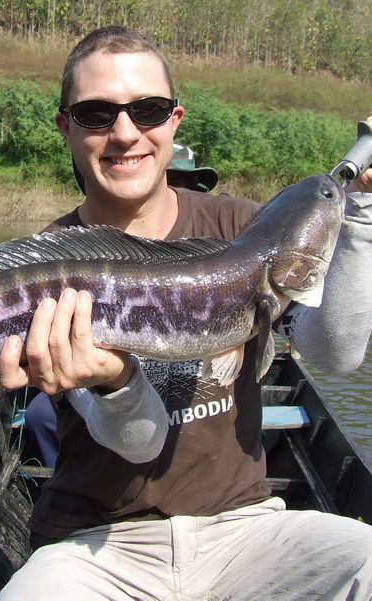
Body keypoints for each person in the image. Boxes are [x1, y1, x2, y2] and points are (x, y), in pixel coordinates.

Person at [0, 25, 372, 601]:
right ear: (66, 127)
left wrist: (363, 204)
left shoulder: (241, 228)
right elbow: (140, 442)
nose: (125, 133)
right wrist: (113, 381)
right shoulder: (50, 269)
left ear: (175, 119)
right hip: (98, 547)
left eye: (149, 110)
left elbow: (334, 353)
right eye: (96, 114)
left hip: (244, 529)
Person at [24, 141, 220, 468]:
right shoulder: (71, 260)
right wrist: (115, 379)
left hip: (230, 495)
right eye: (162, 181)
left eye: (182, 187)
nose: (166, 194)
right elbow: (141, 444)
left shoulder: (227, 235)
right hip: (111, 477)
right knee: (39, 413)